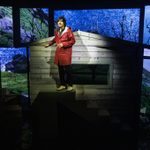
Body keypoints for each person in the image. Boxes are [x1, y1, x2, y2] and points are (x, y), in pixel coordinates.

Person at [45, 16, 75, 91]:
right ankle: (63, 84)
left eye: (61, 21)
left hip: (66, 53)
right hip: (59, 53)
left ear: (64, 22)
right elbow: (55, 39)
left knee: (68, 70)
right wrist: (49, 44)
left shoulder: (68, 31)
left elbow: (72, 41)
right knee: (60, 70)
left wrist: (63, 44)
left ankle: (70, 85)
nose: (59, 22)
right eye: (58, 21)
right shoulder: (57, 31)